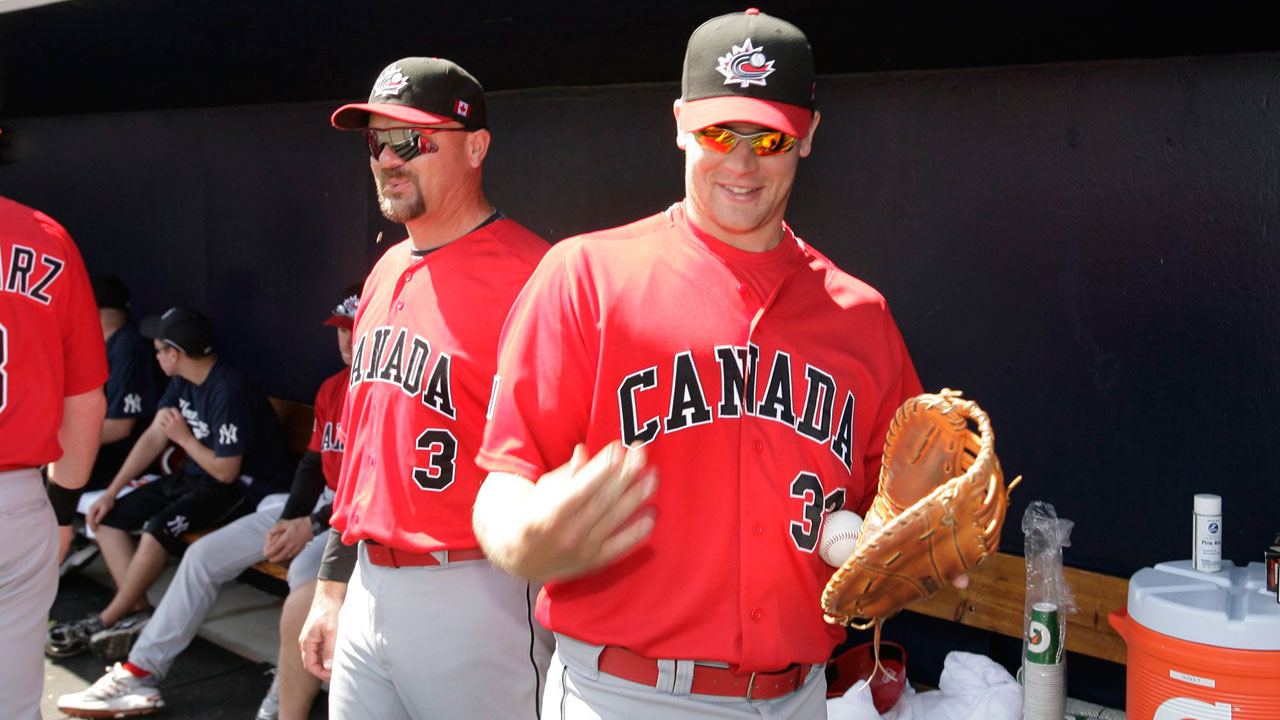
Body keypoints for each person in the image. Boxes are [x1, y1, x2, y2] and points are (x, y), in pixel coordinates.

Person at [473, 9, 924, 719]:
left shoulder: (861, 317)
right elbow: (502, 486)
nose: (742, 164)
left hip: (802, 695)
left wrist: (910, 558)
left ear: (807, 136)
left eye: (769, 137)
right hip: (628, 694)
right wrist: (519, 541)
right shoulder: (585, 276)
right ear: (681, 123)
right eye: (720, 132)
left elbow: (891, 517)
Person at [298, 57, 554, 719]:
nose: (387, 157)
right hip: (370, 584)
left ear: (476, 146)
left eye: (410, 139)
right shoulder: (386, 267)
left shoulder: (539, 278)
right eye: (376, 140)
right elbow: (362, 453)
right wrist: (332, 583)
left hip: (478, 591)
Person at [55, 286, 360, 719]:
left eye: (356, 328)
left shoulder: (384, 394)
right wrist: (292, 518)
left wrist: (307, 525)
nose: (347, 340)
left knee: (303, 576)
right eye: (340, 330)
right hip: (311, 506)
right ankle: (141, 671)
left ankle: (287, 684)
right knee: (201, 555)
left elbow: (367, 486)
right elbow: (311, 466)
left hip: (351, 517)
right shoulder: (333, 387)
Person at [46, 306, 286, 657]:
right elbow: (153, 438)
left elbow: (226, 472)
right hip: (195, 476)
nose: (155, 356)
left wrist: (185, 439)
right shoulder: (182, 381)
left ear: (175, 354)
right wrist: (111, 493)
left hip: (243, 490)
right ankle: (138, 611)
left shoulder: (229, 388)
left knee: (157, 528)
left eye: (159, 349)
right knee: (108, 520)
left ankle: (108, 618)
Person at [0, 194, 108, 720]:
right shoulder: (45, 237)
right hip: (17, 502)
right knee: (15, 704)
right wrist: (63, 508)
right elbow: (84, 399)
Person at [49, 274, 161, 563]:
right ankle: (64, 540)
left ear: (93, 311)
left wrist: (59, 440)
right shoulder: (100, 343)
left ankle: (60, 545)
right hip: (101, 450)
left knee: (49, 467)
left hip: (128, 456)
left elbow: (122, 427)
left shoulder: (128, 346)